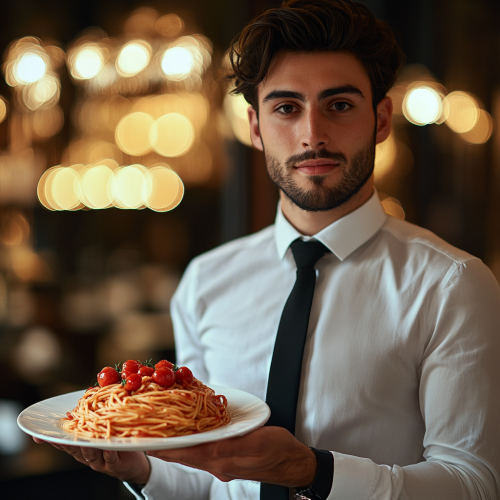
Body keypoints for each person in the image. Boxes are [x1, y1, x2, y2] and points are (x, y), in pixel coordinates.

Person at [34, 1, 500, 499]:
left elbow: (473, 484)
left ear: (381, 119)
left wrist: (314, 472)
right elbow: (209, 483)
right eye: (286, 108)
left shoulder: (452, 283)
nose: (312, 135)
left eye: (339, 105)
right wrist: (142, 472)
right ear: (255, 127)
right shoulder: (206, 281)